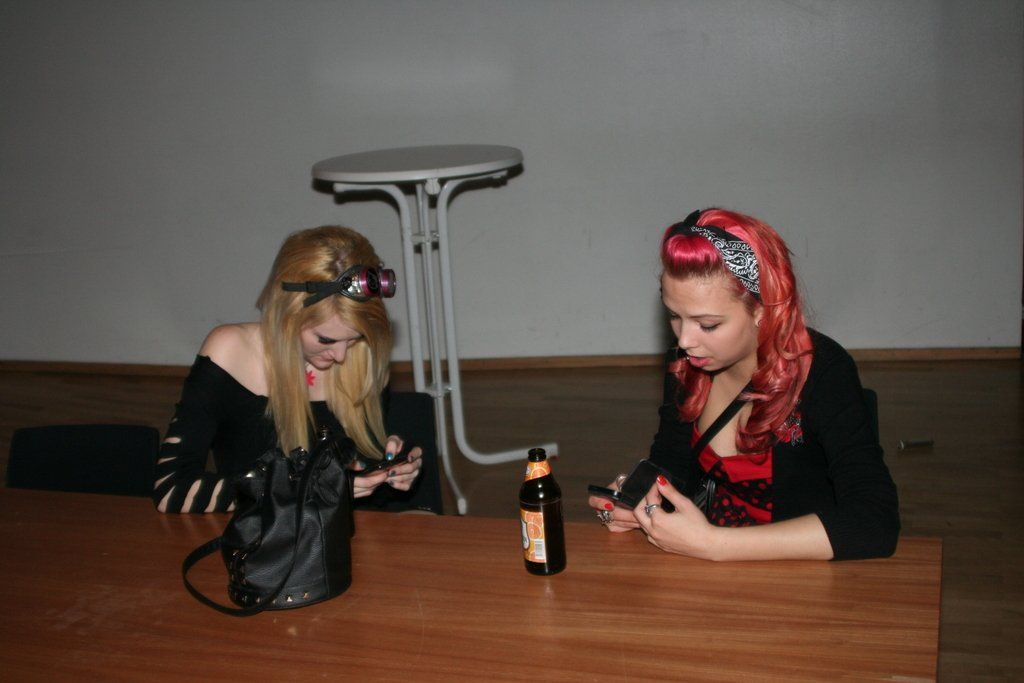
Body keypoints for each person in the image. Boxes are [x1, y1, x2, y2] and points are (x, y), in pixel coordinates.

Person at [588, 208, 899, 561]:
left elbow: (875, 522)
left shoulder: (824, 371)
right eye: (674, 315)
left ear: (763, 310)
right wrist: (639, 497)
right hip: (705, 568)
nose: (685, 340)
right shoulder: (687, 363)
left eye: (707, 325)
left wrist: (714, 544)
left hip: (797, 575)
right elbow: (672, 461)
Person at [153, 226, 424, 513]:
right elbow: (172, 490)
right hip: (262, 539)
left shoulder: (365, 355)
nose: (341, 355)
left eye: (354, 339)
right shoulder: (230, 351)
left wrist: (391, 467)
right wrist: (297, 490)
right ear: (287, 316)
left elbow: (361, 473)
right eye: (325, 340)